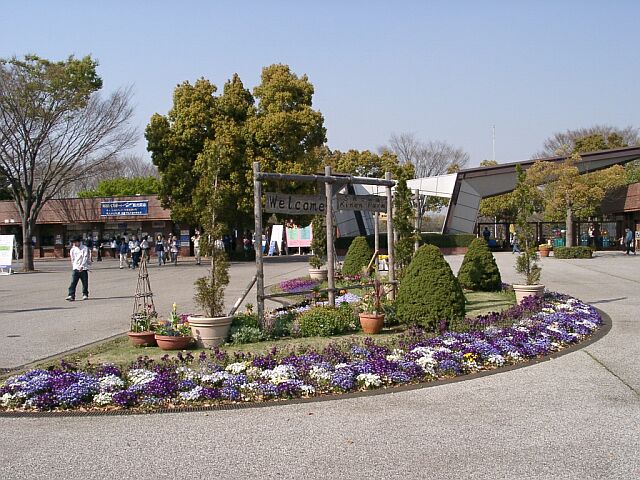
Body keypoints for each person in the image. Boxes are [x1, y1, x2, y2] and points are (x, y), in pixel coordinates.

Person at [66, 236, 91, 301]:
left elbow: (85, 257)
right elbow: (72, 259)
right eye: (73, 243)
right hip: (76, 268)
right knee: (73, 282)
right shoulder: (73, 249)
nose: (74, 244)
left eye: (75, 242)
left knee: (85, 283)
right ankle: (71, 295)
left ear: (79, 242)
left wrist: (82, 266)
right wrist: (74, 266)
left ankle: (85, 294)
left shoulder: (84, 248)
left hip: (83, 268)